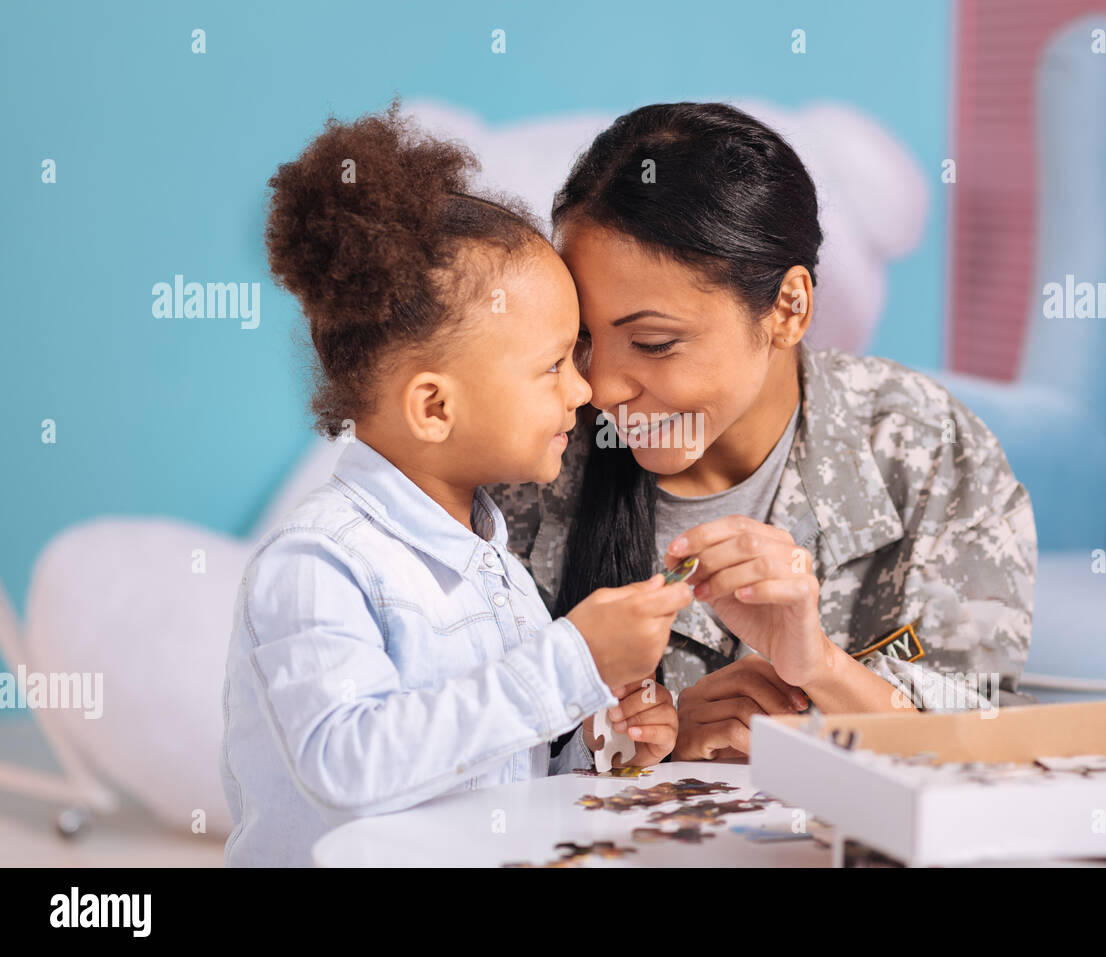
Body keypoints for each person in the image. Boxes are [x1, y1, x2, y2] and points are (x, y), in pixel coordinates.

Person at [485, 102, 1038, 762]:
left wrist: (823, 668)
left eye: (654, 342)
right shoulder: (525, 459)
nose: (600, 390)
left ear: (789, 307)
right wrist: (645, 744)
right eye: (582, 341)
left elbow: (996, 752)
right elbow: (445, 743)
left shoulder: (929, 453)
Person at [220, 101, 691, 866]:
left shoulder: (496, 565)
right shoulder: (315, 565)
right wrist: (571, 661)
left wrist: (601, 741)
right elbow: (353, 767)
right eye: (552, 367)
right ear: (434, 405)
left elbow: (494, 770)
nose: (584, 390)